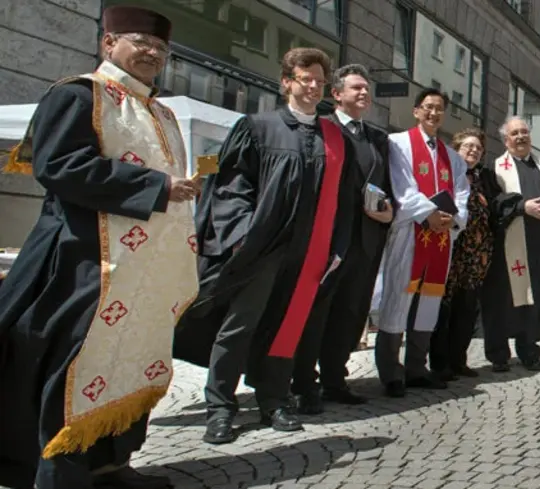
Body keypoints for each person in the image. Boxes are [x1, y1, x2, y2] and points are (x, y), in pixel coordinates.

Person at [0, 7, 198, 488]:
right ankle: (60, 475)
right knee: (74, 365)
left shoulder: (162, 111)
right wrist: (156, 187)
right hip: (84, 261)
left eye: (161, 48)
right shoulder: (78, 94)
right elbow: (59, 166)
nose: (153, 53)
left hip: (140, 275)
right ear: (109, 43)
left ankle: (110, 464)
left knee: (127, 364)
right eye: (141, 42)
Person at [174, 46, 361, 444]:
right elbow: (231, 186)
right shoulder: (257, 127)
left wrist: (337, 247)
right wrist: (241, 236)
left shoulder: (336, 138)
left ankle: (274, 399)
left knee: (286, 327)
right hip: (261, 247)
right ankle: (220, 407)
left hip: (309, 251)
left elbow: (346, 199)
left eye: (319, 81)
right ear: (286, 82)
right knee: (239, 325)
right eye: (305, 79)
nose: (313, 87)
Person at [290, 64, 394, 412]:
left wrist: (388, 211)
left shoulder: (377, 138)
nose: (364, 93)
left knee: (350, 312)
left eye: (366, 88)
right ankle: (303, 382)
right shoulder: (322, 129)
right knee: (316, 312)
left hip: (366, 240)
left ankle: (335, 378)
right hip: (329, 238)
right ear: (336, 94)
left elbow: (387, 185)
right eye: (356, 88)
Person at [373, 88, 471, 396]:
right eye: (428, 107)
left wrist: (454, 218)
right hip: (409, 234)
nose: (433, 113)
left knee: (428, 303)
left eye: (439, 109)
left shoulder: (452, 158)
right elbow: (402, 186)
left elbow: (461, 194)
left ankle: (416, 367)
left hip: (440, 239)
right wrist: (428, 213)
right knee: (398, 300)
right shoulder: (398, 144)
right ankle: (391, 373)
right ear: (416, 111)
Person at [481, 117, 540, 372]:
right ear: (506, 140)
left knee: (535, 298)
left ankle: (529, 351)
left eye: (524, 132)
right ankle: (499, 355)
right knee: (503, 301)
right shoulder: (495, 168)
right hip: (508, 244)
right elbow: (494, 203)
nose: (520, 137)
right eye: (514, 133)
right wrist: (522, 206)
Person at [430, 128, 498, 382]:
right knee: (444, 308)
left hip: (477, 254)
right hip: (452, 249)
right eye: (468, 146)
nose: (474, 151)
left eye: (478, 148)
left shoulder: (483, 178)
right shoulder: (447, 174)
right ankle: (440, 363)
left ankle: (459, 359)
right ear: (456, 148)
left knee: (467, 309)